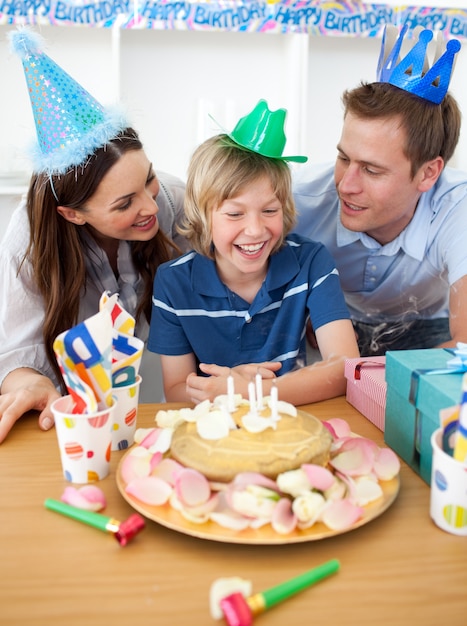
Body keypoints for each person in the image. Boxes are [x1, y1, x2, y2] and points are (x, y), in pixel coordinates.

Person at [0, 28, 187, 443]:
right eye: (124, 204)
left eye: (149, 179)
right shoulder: (27, 241)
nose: (152, 208)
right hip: (75, 425)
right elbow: (17, 351)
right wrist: (25, 382)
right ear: (72, 214)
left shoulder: (175, 199)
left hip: (160, 411)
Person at [148, 100, 359, 405]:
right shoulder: (173, 282)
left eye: (270, 210)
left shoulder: (312, 262)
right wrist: (231, 394)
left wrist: (251, 392)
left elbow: (344, 368)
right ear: (203, 215)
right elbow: (177, 390)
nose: (256, 230)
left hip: (287, 423)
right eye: (235, 214)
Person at [292, 24, 467, 356]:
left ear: (428, 173)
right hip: (329, 327)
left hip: (430, 331)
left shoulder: (459, 207)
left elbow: (465, 346)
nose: (346, 185)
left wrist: (361, 378)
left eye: (372, 170)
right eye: (343, 157)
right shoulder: (298, 199)